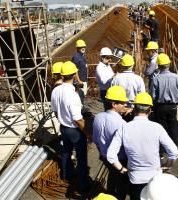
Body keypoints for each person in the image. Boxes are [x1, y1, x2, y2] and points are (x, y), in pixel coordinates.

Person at [107, 92, 178, 200]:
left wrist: (122, 169)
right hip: (155, 177)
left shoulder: (124, 128)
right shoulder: (157, 127)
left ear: (134, 110)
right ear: (150, 110)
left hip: (135, 178)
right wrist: (168, 166)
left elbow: (110, 155)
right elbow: (173, 152)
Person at [50, 61, 91, 192]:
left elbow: (55, 111)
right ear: (74, 74)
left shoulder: (56, 91)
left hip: (63, 127)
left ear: (62, 75)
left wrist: (62, 120)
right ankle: (83, 185)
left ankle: (67, 174)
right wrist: (87, 133)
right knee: (81, 158)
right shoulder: (73, 94)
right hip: (74, 130)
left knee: (66, 152)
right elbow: (77, 118)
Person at [93, 86, 129, 200]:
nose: (125, 105)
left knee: (112, 178)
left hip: (105, 156)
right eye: (123, 103)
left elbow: (97, 140)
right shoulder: (122, 123)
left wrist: (102, 153)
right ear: (114, 104)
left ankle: (109, 195)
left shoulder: (98, 117)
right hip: (119, 160)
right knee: (122, 184)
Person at [150, 53, 178, 145]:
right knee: (173, 126)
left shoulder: (156, 79)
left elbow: (153, 95)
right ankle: (175, 146)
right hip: (173, 106)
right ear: (169, 64)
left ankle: (163, 148)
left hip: (160, 106)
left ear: (159, 66)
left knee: (162, 128)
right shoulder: (176, 77)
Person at [111, 54, 145, 121]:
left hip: (119, 109)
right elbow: (142, 95)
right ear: (132, 65)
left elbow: (113, 96)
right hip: (134, 109)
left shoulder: (116, 79)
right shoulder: (138, 79)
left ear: (122, 65)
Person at [72, 39, 88, 103]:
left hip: (84, 80)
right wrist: (78, 81)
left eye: (84, 47)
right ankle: (81, 110)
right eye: (81, 47)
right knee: (80, 98)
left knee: (83, 96)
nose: (83, 48)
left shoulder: (82, 56)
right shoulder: (76, 57)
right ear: (77, 48)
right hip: (80, 81)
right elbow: (75, 70)